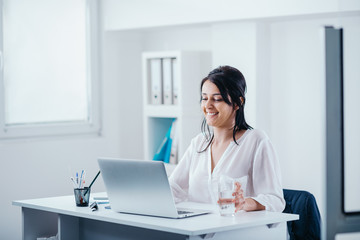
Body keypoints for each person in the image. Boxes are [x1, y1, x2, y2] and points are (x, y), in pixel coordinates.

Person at [169, 65, 285, 212]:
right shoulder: (199, 143)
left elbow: (275, 200)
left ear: (238, 102)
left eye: (217, 99)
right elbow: (173, 189)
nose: (208, 105)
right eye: (204, 98)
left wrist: (245, 203)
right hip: (197, 229)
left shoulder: (256, 141)